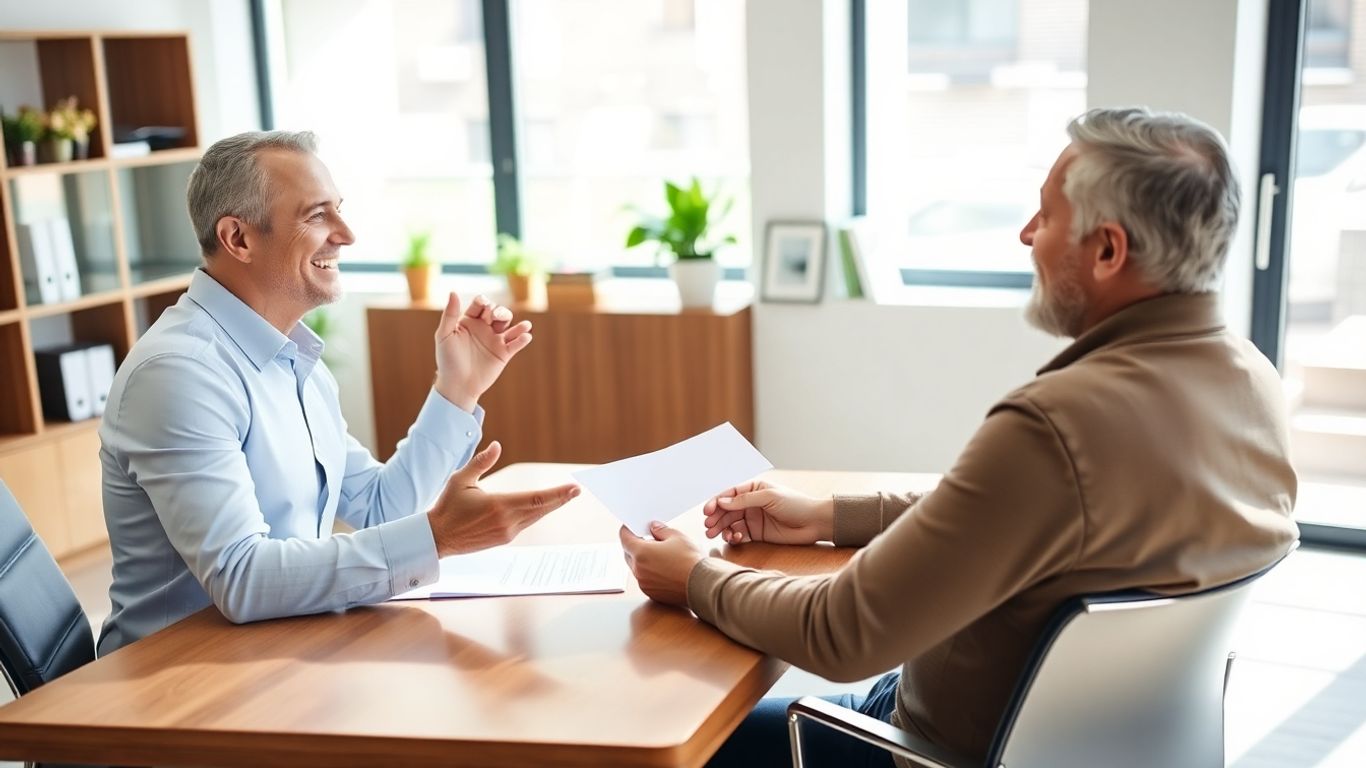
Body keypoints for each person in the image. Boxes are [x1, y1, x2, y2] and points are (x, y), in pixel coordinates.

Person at [619, 107, 1299, 766]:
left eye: (1048, 215)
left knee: (663, 743)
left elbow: (840, 633)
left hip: (929, 751)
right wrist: (830, 516)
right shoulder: (1251, 384)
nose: (1028, 234)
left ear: (1108, 249)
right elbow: (1006, 510)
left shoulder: (1057, 425)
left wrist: (696, 578)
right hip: (1101, 746)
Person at [98, 130, 579, 655]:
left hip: (274, 652)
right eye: (317, 215)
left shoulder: (291, 359)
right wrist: (437, 538)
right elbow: (241, 577)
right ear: (239, 238)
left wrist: (458, 389)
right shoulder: (181, 373)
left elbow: (380, 507)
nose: (346, 234)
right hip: (171, 687)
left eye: (340, 210)